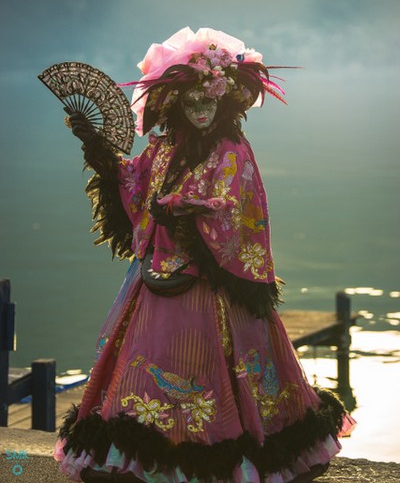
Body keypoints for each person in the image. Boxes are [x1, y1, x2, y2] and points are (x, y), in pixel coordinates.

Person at [54, 27, 355, 483]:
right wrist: (95, 147)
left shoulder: (232, 152)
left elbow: (236, 210)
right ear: (174, 104)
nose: (199, 111)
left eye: (207, 102)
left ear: (223, 101)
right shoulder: (162, 148)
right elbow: (133, 183)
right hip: (157, 281)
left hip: (213, 285)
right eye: (191, 103)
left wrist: (180, 210)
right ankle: (143, 457)